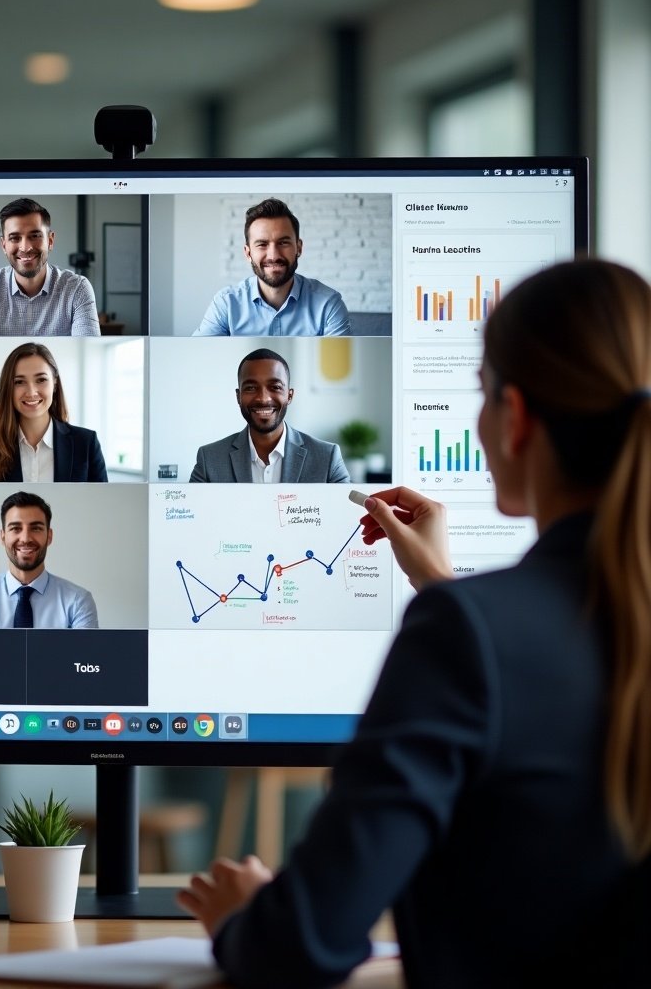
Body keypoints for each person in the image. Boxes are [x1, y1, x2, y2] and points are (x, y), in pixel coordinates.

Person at [178, 259, 651, 988]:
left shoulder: (463, 635)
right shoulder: (502, 626)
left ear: (516, 419)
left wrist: (248, 916)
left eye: (481, 394)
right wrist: (442, 586)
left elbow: (301, 946)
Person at [193, 198, 351, 337]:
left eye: (283, 243)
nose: (274, 255)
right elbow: (201, 360)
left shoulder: (328, 304)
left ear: (299, 248)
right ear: (248, 253)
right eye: (262, 244)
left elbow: (339, 369)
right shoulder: (226, 304)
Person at [189, 348, 349, 483]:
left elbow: (347, 516)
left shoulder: (328, 458)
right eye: (251, 388)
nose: (263, 398)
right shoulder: (209, 459)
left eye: (275, 387)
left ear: (290, 395)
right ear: (238, 396)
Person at [0, 491, 98, 628]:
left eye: (36, 528)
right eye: (15, 528)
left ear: (49, 536)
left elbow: (84, 656)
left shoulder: (78, 601)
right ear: (2, 536)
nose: (26, 538)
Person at [0, 342, 107, 482]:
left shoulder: (86, 442)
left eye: (41, 380)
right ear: (8, 388)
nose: (31, 392)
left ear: (55, 383)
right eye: (19, 382)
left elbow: (102, 502)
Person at [0, 198, 101, 336]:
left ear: (50, 241)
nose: (26, 248)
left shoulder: (77, 288)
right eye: (14, 238)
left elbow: (88, 354)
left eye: (35, 236)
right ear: (4, 245)